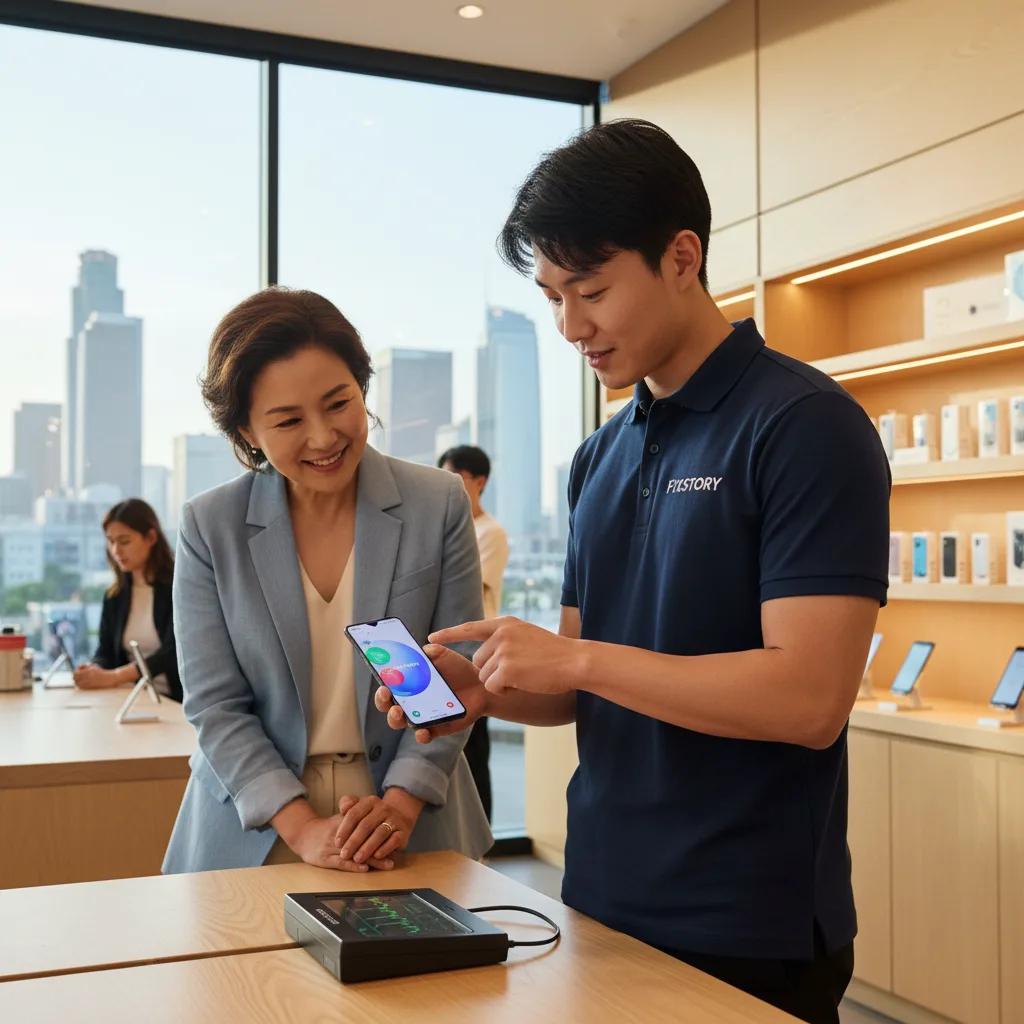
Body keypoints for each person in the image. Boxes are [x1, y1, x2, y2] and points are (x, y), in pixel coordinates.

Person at [376, 119, 890, 1024]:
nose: (571, 326)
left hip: (748, 922)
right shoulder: (599, 457)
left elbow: (810, 700)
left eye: (592, 291)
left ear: (682, 257)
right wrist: (487, 691)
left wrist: (575, 659)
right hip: (601, 894)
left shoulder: (806, 425)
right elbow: (588, 685)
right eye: (552, 297)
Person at [162, 288, 491, 876]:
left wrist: (399, 806)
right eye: (289, 420)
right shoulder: (210, 526)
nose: (323, 437)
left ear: (362, 390)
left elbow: (454, 673)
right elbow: (215, 704)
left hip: (411, 821)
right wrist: (304, 829)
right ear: (247, 431)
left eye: (339, 404)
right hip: (256, 829)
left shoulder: (437, 503)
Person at [438, 445, 509, 822]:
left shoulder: (489, 532)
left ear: (479, 482)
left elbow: (466, 589)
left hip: (477, 657)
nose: (446, 483)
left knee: (474, 752)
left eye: (455, 476)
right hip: (448, 652)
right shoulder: (447, 528)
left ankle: (482, 841)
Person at [73, 498, 181, 702]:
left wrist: (115, 677)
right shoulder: (115, 595)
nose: (116, 551)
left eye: (124, 541)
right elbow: (105, 650)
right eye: (111, 541)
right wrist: (95, 669)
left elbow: (172, 652)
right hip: (131, 698)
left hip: (175, 700)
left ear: (150, 538)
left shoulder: (179, 587)